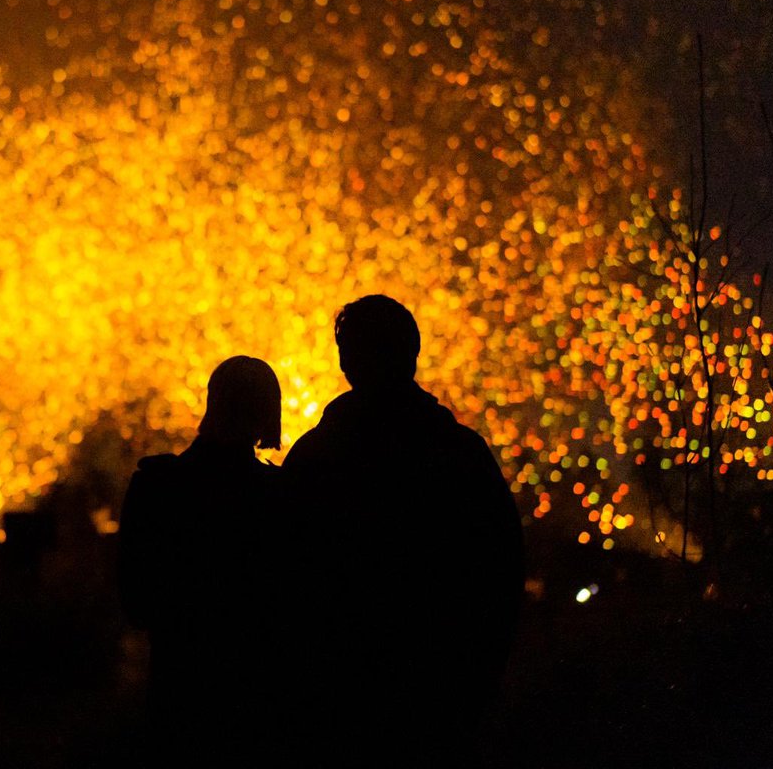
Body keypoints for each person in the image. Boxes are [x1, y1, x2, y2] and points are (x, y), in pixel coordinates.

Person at [283, 294, 524, 765]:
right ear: (412, 354)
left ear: (346, 362)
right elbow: (502, 572)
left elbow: (283, 579)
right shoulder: (462, 455)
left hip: (336, 701)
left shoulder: (315, 458)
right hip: (442, 695)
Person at [118, 355, 285, 766]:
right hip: (255, 696)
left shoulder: (156, 485)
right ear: (266, 414)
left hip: (177, 688)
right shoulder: (276, 496)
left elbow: (136, 601)